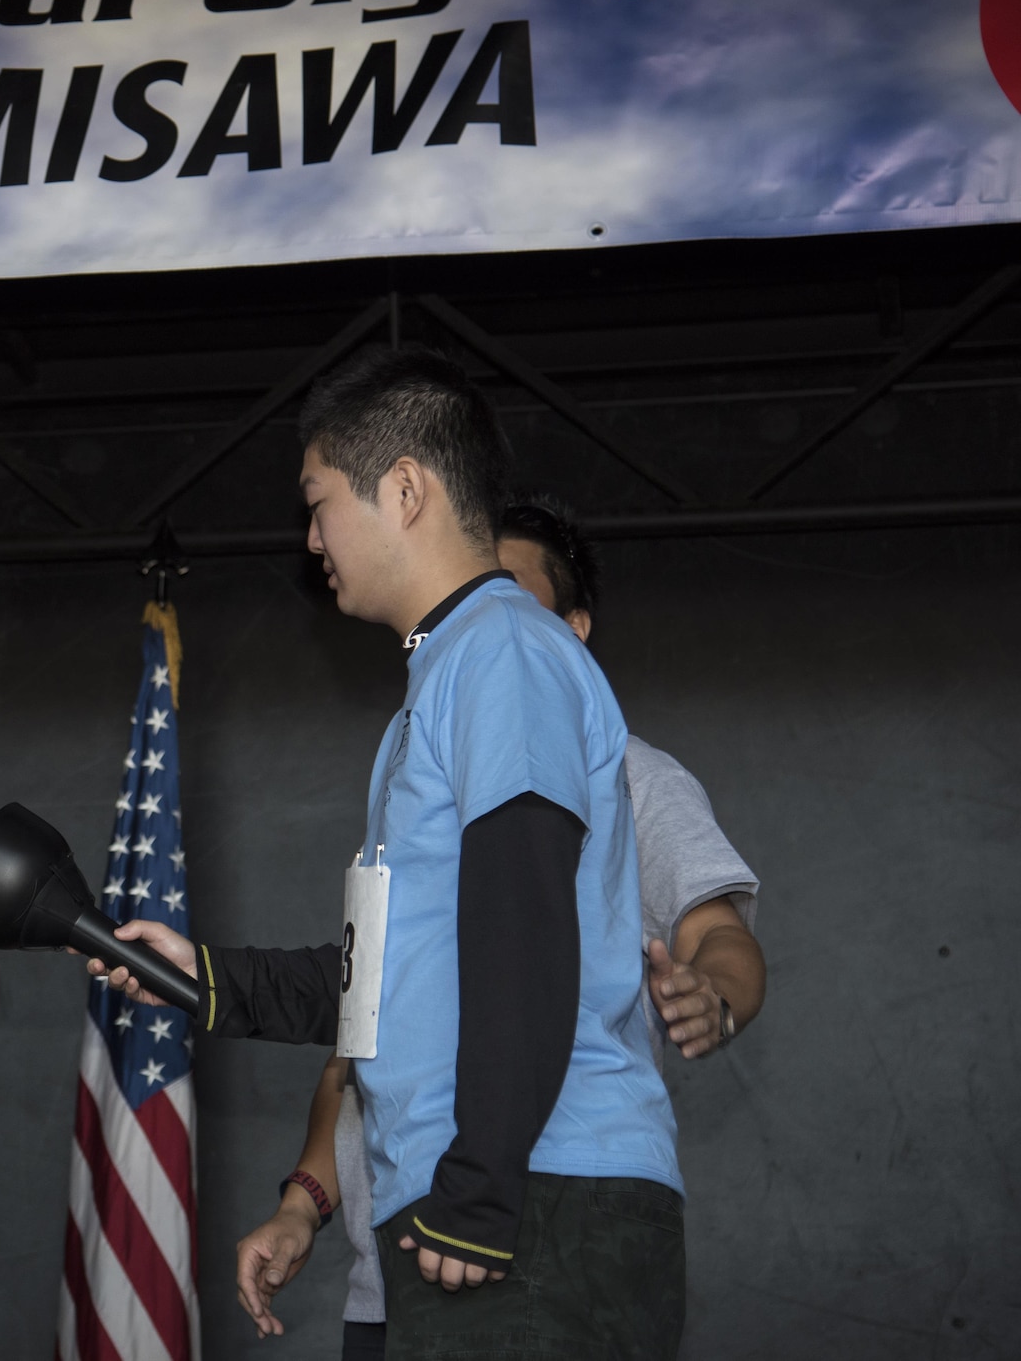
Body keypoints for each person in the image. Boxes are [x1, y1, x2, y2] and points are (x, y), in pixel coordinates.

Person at [96, 349, 686, 1359]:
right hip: (482, 1196)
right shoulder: (444, 678)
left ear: (403, 488)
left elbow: (523, 925)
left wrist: (482, 1184)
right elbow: (392, 982)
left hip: (536, 1196)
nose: (311, 536)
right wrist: (195, 976)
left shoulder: (501, 650)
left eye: (317, 501)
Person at [231, 498, 768, 1359]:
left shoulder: (634, 776)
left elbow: (724, 938)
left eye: (507, 590)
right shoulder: (418, 768)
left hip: (503, 1227)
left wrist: (718, 995)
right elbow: (366, 1027)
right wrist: (304, 1203)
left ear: (573, 627)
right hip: (397, 1260)